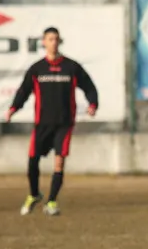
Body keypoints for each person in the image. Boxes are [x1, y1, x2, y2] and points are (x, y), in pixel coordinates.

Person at [6, 27, 99, 216]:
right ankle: (34, 194)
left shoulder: (71, 67)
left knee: (59, 163)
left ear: (59, 41)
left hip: (64, 124)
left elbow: (89, 86)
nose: (53, 42)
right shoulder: (37, 69)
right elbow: (23, 91)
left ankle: (52, 201)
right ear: (43, 42)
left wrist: (93, 103)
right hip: (42, 124)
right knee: (33, 161)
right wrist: (13, 108)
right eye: (50, 39)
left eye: (56, 39)